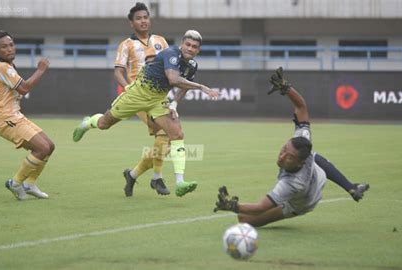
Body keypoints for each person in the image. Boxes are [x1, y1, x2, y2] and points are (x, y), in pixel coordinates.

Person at [213, 67, 369, 227]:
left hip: (303, 201)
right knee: (313, 155)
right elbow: (301, 107)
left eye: (289, 157)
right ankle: (350, 187)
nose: (281, 156)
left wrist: (233, 206)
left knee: (245, 220)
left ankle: (346, 188)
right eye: (283, 150)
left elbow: (260, 207)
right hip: (316, 174)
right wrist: (286, 88)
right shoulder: (300, 141)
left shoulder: (291, 184)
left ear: (299, 162)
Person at [73, 30, 219, 197]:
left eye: (194, 47)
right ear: (182, 44)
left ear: (198, 50)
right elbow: (173, 79)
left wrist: (175, 104)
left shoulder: (192, 65)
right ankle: (88, 123)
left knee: (176, 134)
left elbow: (184, 86)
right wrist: (201, 87)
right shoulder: (172, 53)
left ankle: (179, 182)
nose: (190, 49)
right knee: (104, 124)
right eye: (188, 44)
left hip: (158, 99)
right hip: (138, 94)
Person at [0, 30, 54, 200]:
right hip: (7, 119)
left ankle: (29, 183)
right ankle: (15, 183)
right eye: (4, 47)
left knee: (49, 146)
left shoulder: (7, 67)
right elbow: (24, 88)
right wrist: (41, 70)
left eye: (11, 45)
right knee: (42, 148)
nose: (9, 49)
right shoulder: (1, 66)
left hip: (15, 116)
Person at [114, 2, 172, 197]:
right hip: (138, 96)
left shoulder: (160, 41)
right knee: (164, 134)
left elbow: (169, 67)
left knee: (167, 139)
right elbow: (118, 71)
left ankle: (133, 174)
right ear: (132, 23)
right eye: (138, 18)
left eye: (145, 17)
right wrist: (127, 87)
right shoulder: (126, 44)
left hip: (159, 95)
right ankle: (157, 177)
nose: (143, 21)